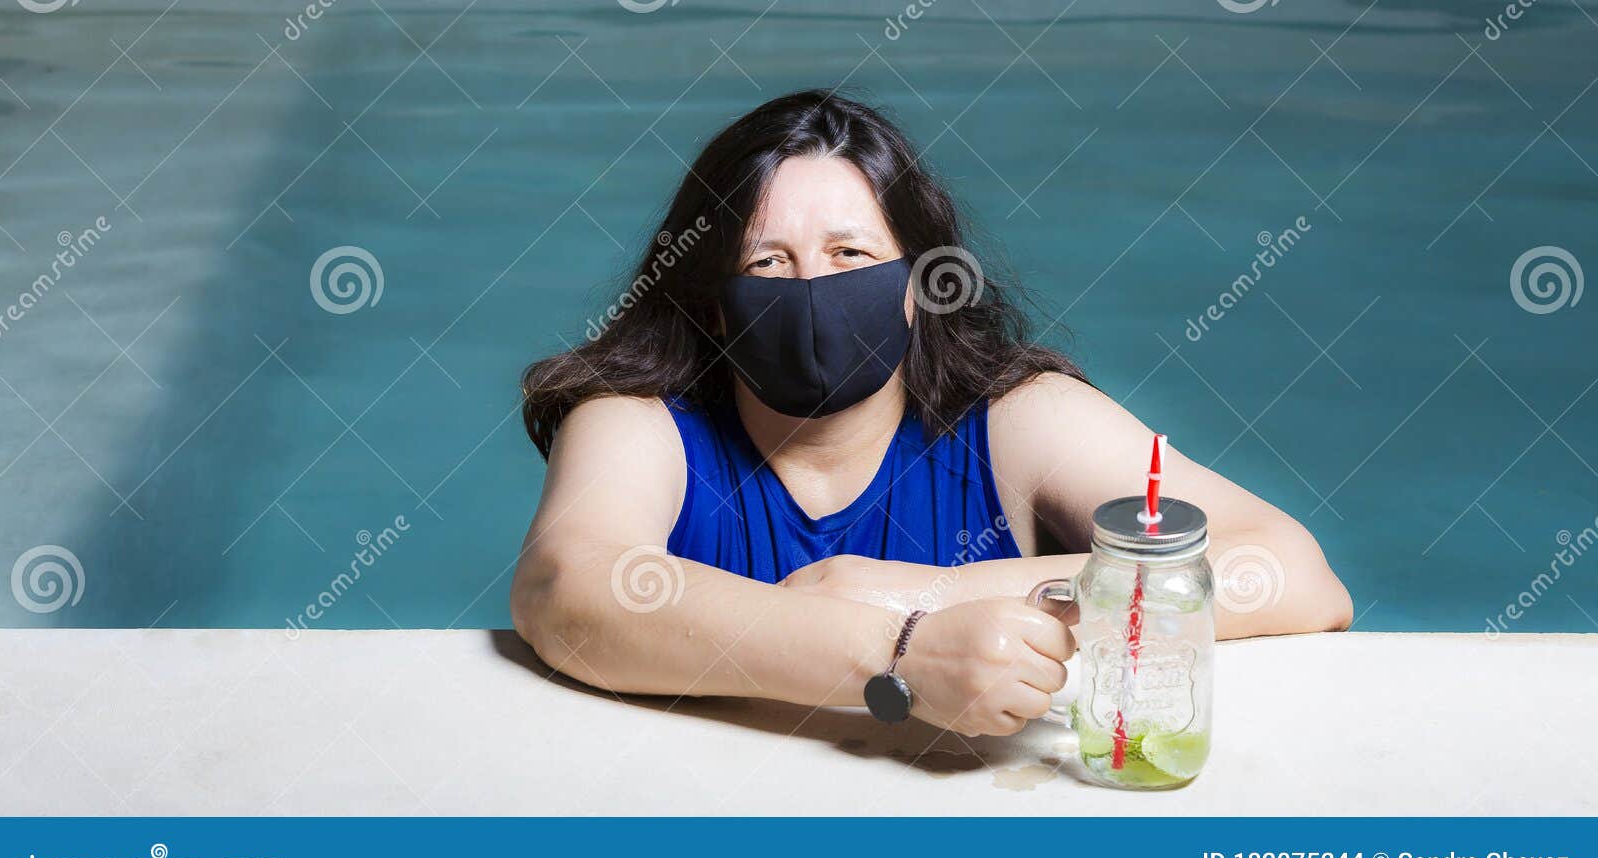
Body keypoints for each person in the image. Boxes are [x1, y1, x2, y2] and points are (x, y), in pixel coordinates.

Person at [511, 90, 1351, 737]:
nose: (812, 288)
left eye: (851, 254)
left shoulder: (1020, 420)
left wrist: (924, 590)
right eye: (768, 261)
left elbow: (1288, 572)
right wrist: (900, 656)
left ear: (918, 285)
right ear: (717, 306)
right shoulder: (639, 422)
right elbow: (567, 590)